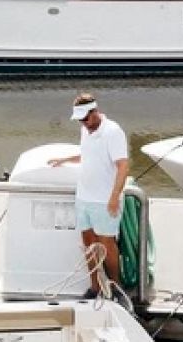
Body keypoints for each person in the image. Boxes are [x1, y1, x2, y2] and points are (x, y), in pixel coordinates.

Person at [48, 92, 129, 297]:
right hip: (84, 197)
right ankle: (95, 286)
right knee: (88, 242)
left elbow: (122, 166)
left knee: (107, 244)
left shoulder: (113, 131)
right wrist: (64, 160)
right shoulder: (86, 130)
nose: (84, 123)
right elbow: (86, 154)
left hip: (104, 200)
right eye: (80, 120)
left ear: (95, 111)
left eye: (86, 118)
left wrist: (114, 197)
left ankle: (115, 287)